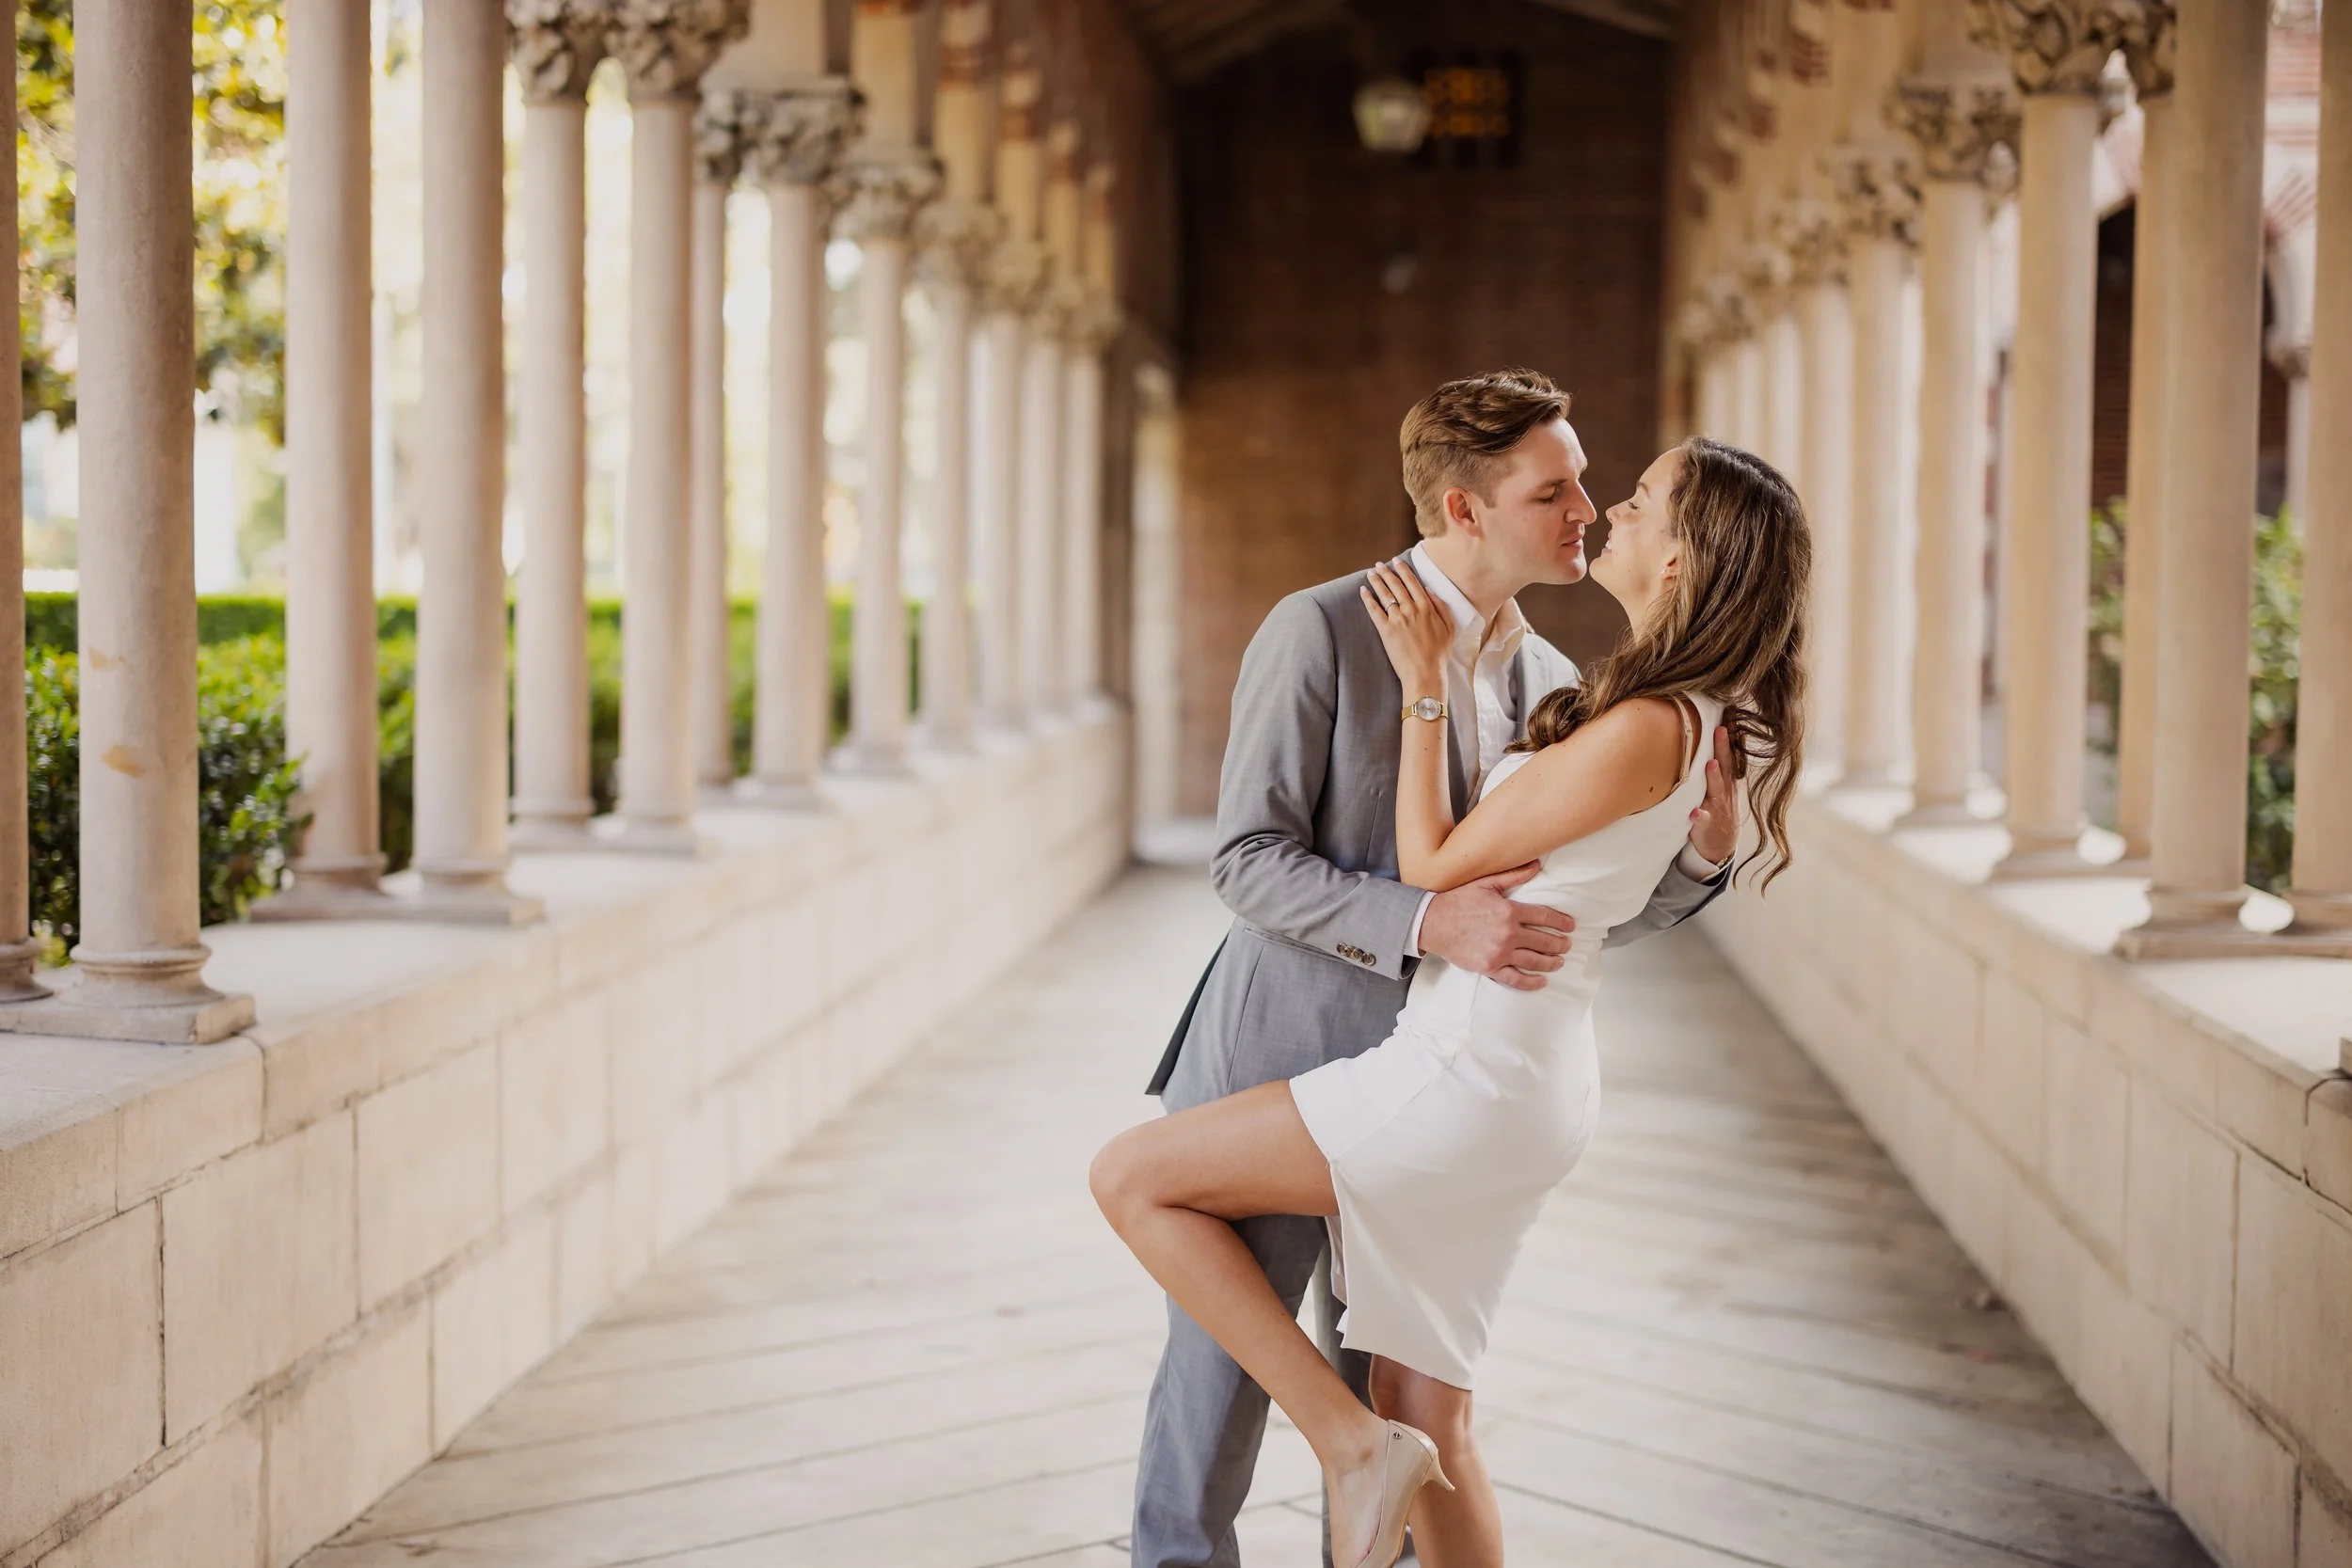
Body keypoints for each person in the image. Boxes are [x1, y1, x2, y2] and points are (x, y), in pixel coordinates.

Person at [1094, 432, 1810, 1568]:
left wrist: (1691, 864)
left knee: (1142, 1189)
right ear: (1467, 507)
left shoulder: (1574, 693)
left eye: (1615, 495)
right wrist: (1433, 922)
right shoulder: (1322, 626)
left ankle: (1345, 1445)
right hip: (1316, 1040)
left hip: (1455, 1074)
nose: (1590, 507)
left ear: (1680, 562)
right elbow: (1245, 857)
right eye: (1560, 488)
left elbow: (1550, 894)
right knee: (1346, 1406)